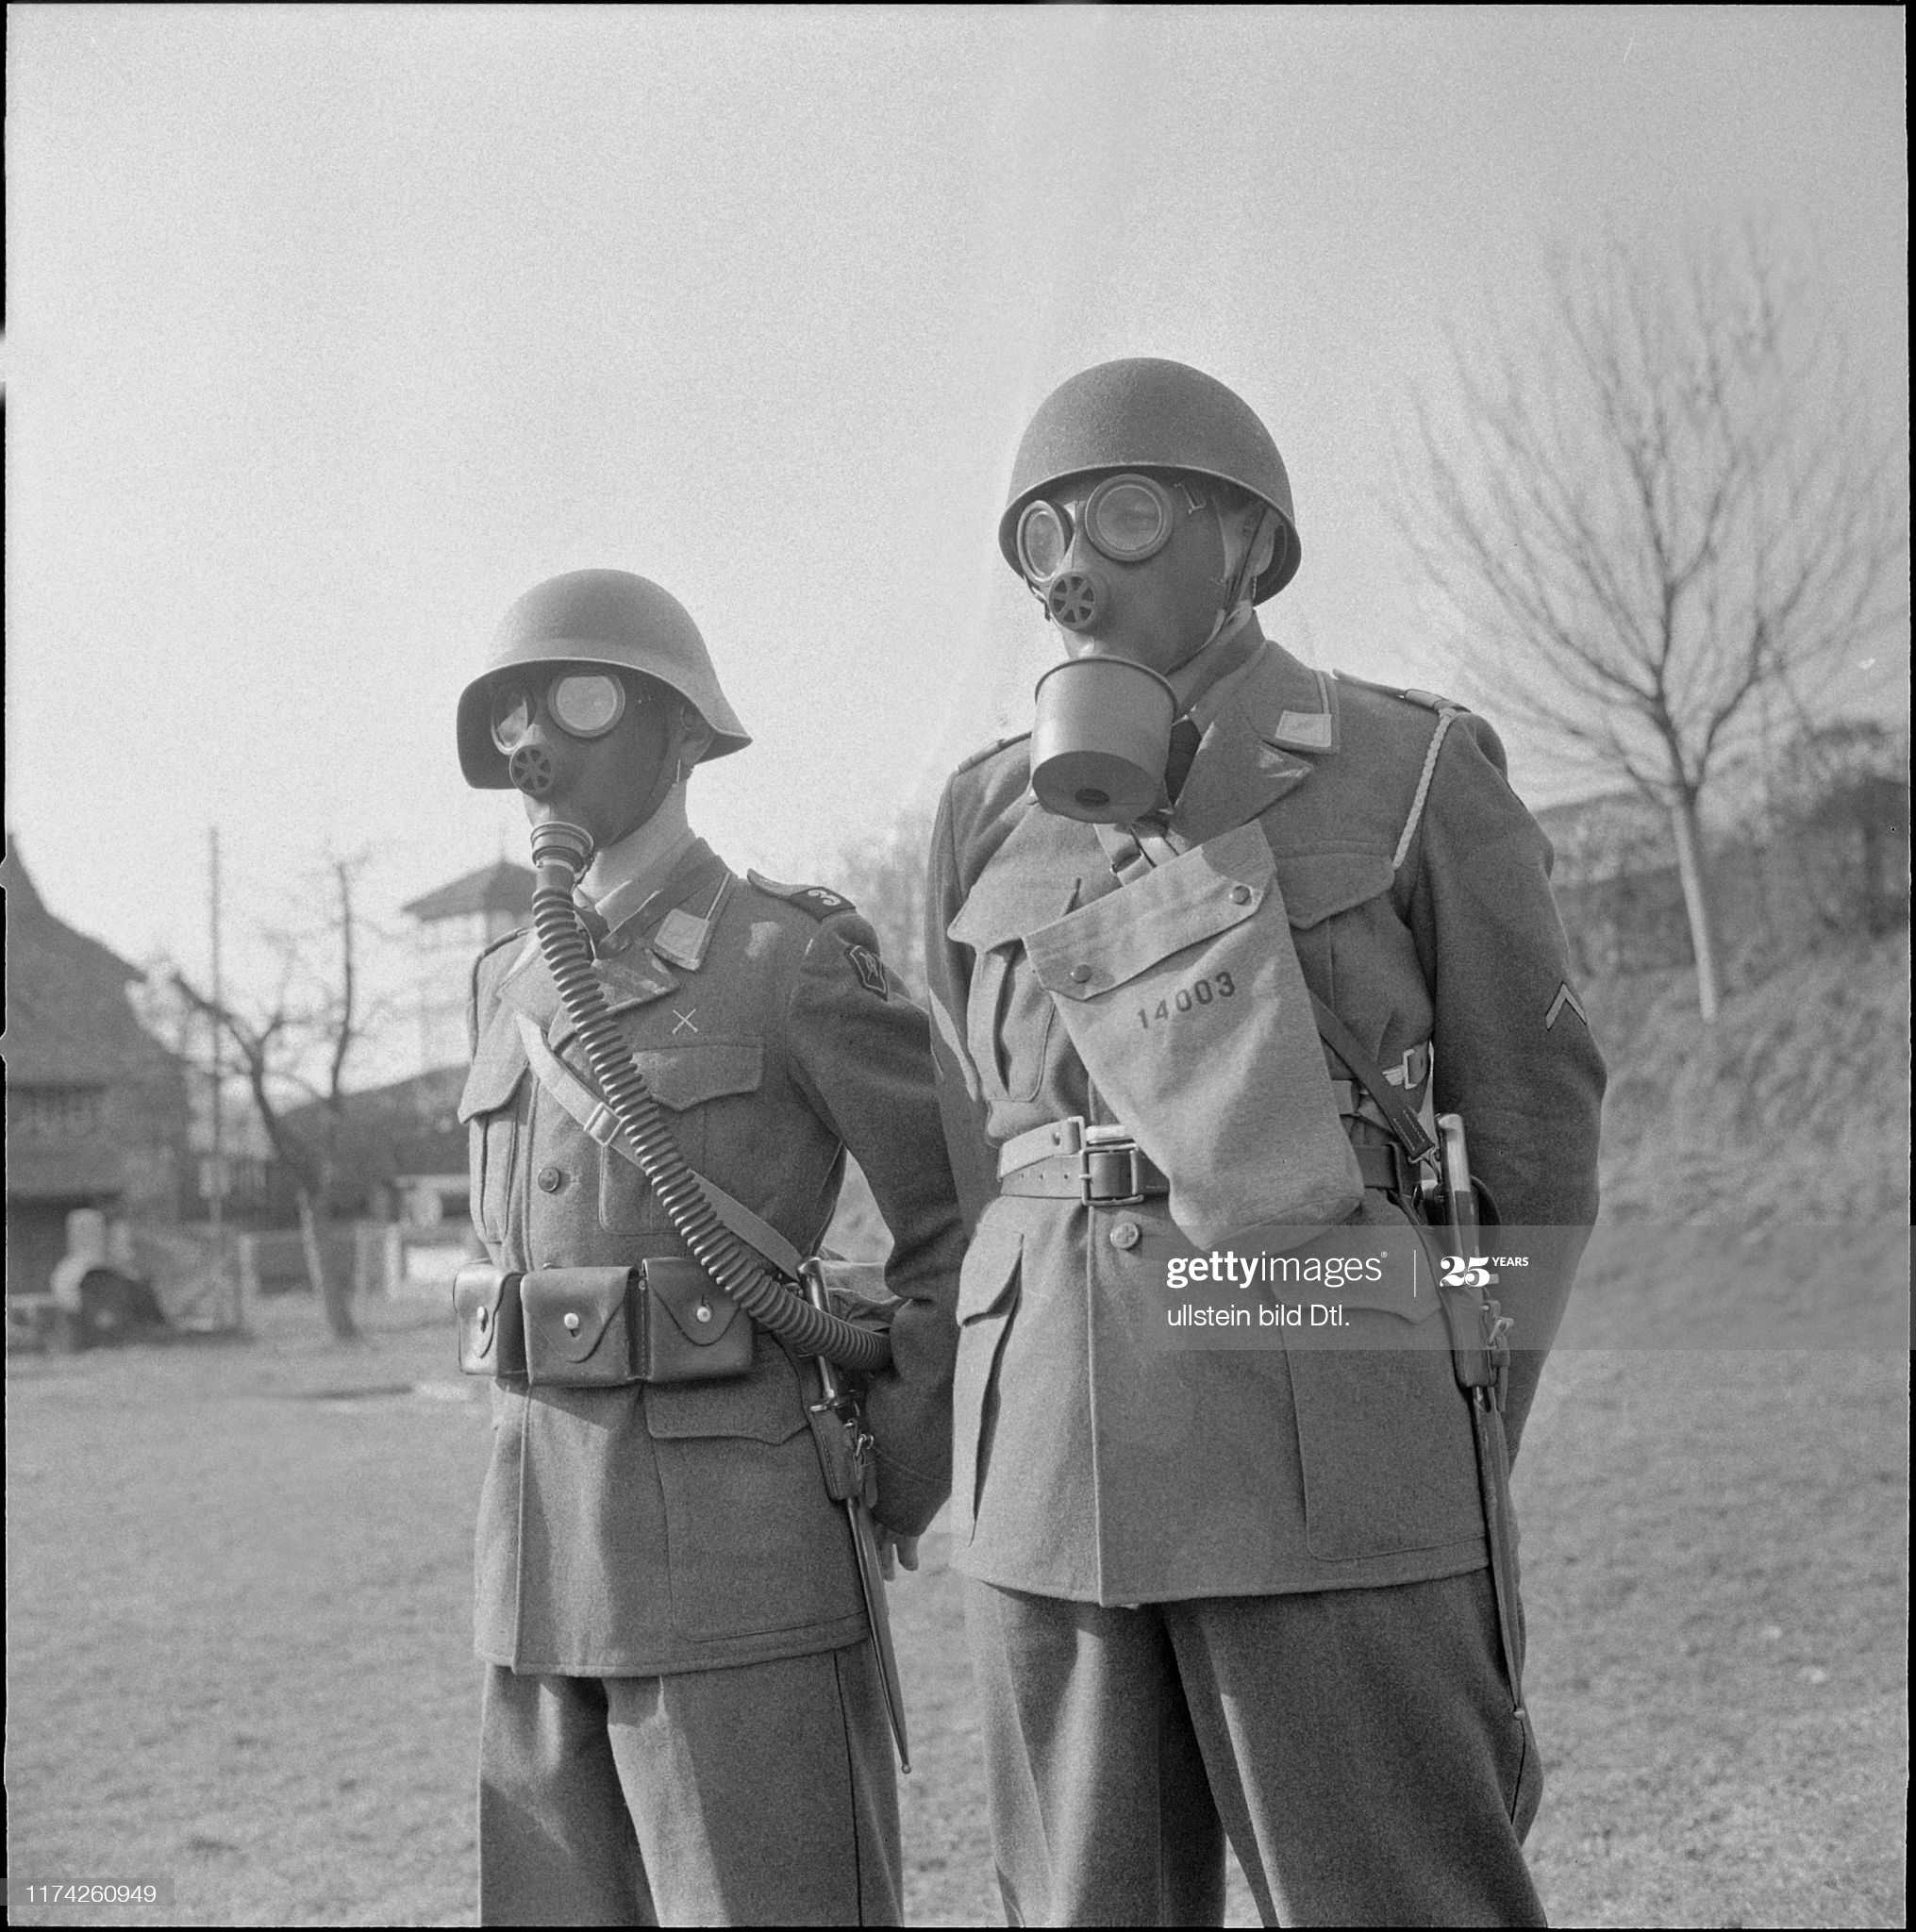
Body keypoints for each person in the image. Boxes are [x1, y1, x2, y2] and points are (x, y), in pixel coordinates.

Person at [925, 358, 1606, 1926]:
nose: (1074, 573)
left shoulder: (1407, 765)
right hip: (1052, 1468)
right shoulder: (987, 812)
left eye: (1123, 518)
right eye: (1040, 538)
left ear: (1244, 540)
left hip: (1328, 1440)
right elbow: (975, 1135)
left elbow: (1533, 1139)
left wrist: (1444, 1414)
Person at [454, 567, 964, 1925]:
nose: (532, 742)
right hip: (536, 1576)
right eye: (509, 713)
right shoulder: (502, 984)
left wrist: (894, 1473)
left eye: (574, 700)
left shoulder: (785, 958)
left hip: (744, 1578)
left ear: (680, 731)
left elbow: (958, 1223)